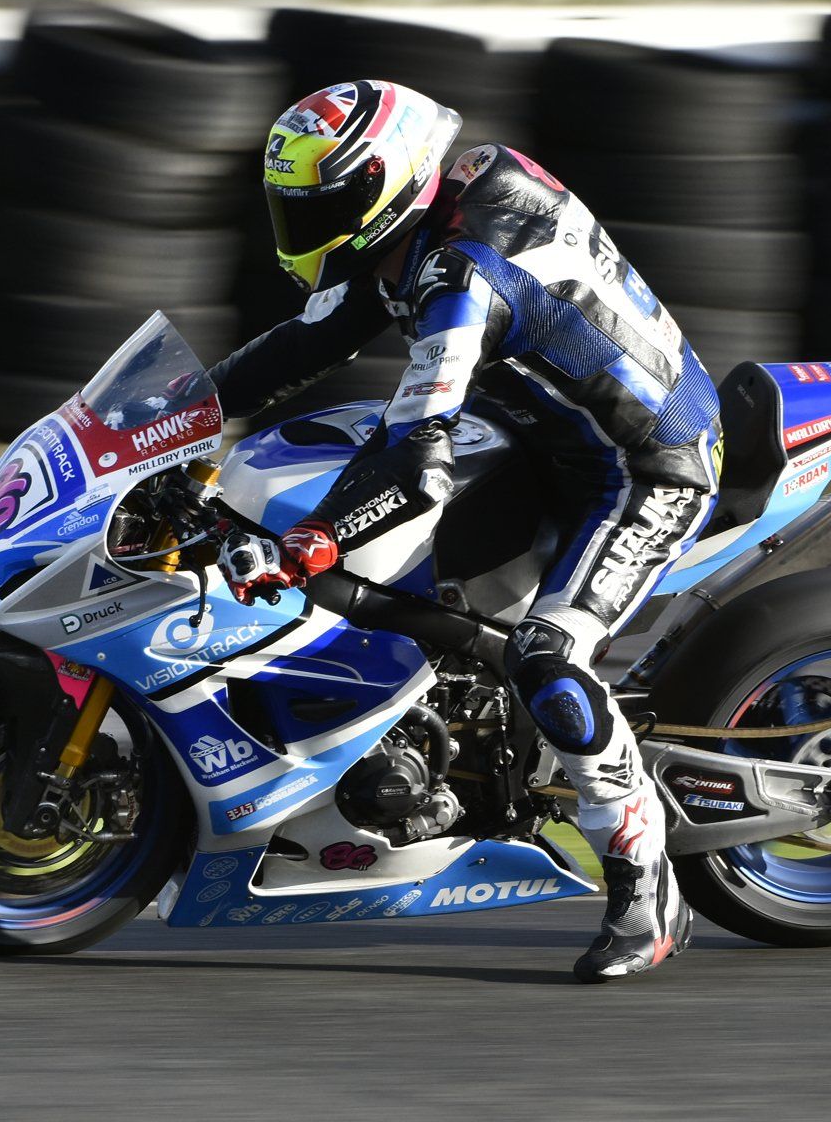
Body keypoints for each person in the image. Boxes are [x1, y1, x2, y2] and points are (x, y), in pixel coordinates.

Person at [207, 79, 723, 984]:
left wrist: (318, 540)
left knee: (545, 656)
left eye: (322, 204)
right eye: (295, 206)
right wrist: (166, 421)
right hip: (538, 431)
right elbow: (304, 345)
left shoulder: (461, 274)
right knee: (370, 553)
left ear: (387, 187)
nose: (304, 225)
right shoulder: (421, 225)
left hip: (643, 466)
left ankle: (646, 881)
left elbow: (417, 459)